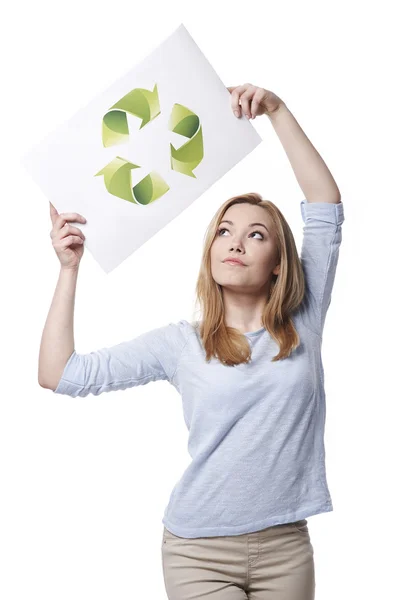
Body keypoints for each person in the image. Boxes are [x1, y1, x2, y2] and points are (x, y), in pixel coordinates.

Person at [39, 84, 344, 600]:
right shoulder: (182, 345)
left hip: (287, 547)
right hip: (199, 550)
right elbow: (60, 374)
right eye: (224, 231)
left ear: (278, 264)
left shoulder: (303, 320)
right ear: (210, 251)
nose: (235, 242)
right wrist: (69, 270)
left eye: (256, 234)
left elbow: (325, 206)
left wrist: (276, 110)